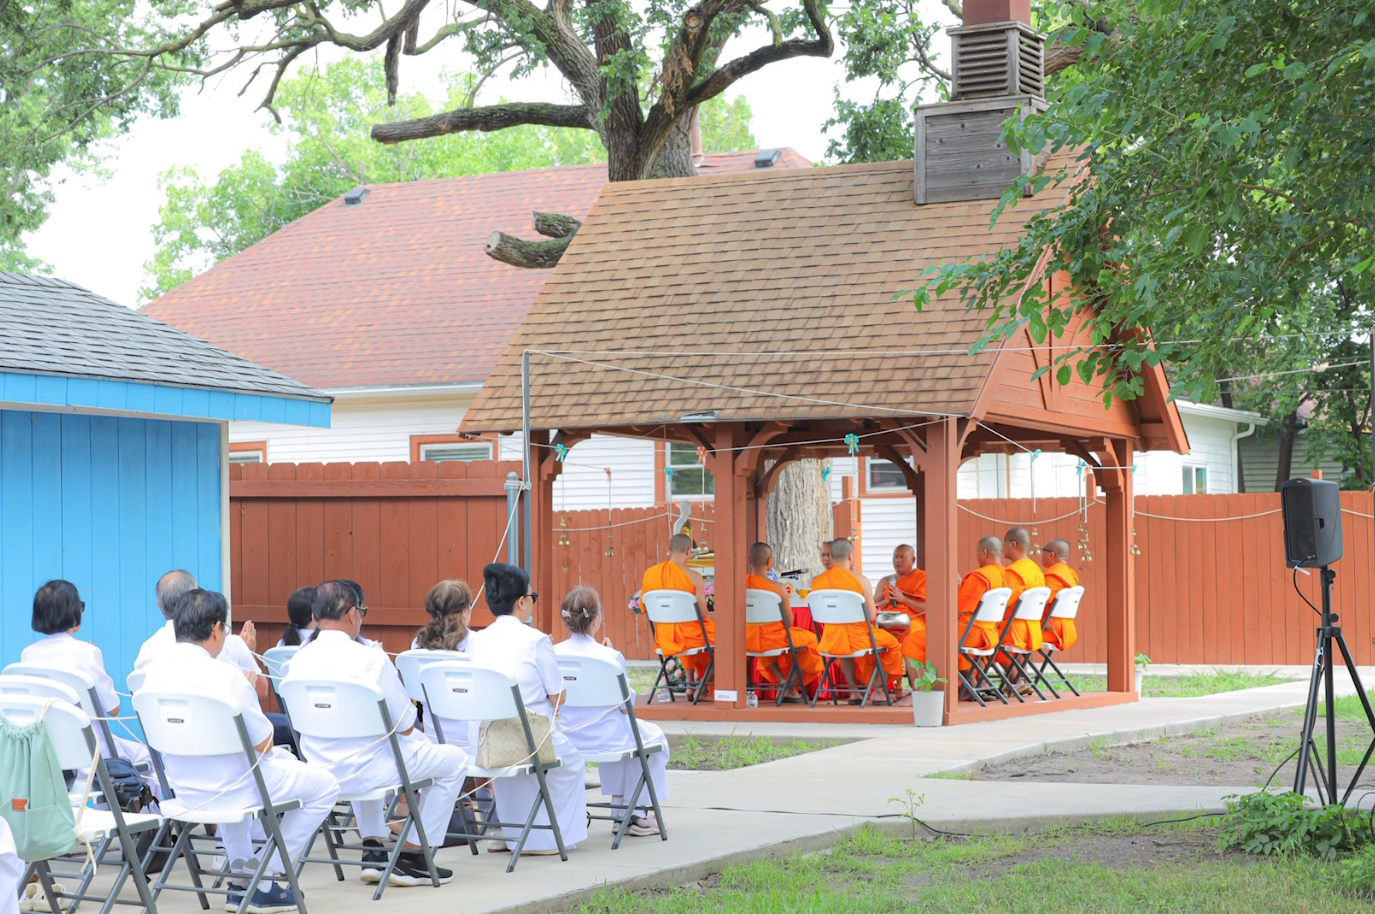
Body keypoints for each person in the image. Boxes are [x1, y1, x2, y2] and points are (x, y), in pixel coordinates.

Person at [140, 589, 339, 913]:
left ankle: (244, 884)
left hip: (184, 790)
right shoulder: (227, 675)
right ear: (217, 628)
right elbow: (263, 744)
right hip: (234, 787)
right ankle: (265, 871)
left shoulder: (152, 676)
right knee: (325, 786)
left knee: (242, 780)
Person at [283, 581, 465, 886]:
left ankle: (374, 848)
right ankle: (413, 856)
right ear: (353, 614)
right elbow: (406, 724)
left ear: (315, 617)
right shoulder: (370, 658)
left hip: (320, 770)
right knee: (455, 761)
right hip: (369, 770)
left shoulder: (297, 660)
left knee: (368, 745)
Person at [469, 563, 588, 855]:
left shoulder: (477, 639)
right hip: (530, 737)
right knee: (571, 764)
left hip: (486, 737)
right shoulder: (535, 640)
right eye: (532, 595)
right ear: (522, 601)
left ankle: (512, 832)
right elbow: (558, 696)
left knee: (515, 772)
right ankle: (549, 838)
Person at [552, 586, 668, 837]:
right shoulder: (609, 656)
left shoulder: (554, 653)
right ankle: (633, 812)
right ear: (596, 621)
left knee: (629, 735)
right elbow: (626, 707)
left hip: (568, 736)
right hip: (609, 737)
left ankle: (622, 812)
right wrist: (611, 656)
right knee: (653, 738)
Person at [22, 580, 152, 768]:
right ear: (73, 613)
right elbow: (114, 709)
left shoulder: (28, 654)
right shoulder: (88, 653)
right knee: (147, 758)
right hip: (91, 754)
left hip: (48, 755)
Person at [135, 570, 266, 700]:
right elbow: (261, 690)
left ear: (159, 605)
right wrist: (248, 651)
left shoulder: (146, 650)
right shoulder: (227, 644)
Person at [811, 539, 903, 697]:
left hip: (831, 639)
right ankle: (879, 689)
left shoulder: (817, 582)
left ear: (831, 557)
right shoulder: (860, 580)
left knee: (846, 652)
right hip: (859, 638)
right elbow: (871, 615)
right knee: (893, 644)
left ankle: (854, 692)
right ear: (850, 556)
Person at [744, 543, 822, 700]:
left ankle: (782, 681)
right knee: (812, 641)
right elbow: (789, 621)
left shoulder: (740, 585)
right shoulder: (778, 588)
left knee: (762, 640)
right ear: (770, 562)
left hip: (745, 639)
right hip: (772, 639)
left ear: (749, 560)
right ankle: (790, 686)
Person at [641, 534, 714, 686]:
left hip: (664, 636)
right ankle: (701, 685)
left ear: (669, 549)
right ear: (689, 551)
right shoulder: (694, 577)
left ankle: (690, 683)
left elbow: (644, 607)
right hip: (689, 636)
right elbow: (702, 614)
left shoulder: (651, 574)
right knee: (728, 641)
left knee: (687, 628)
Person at [412, 579, 476, 747]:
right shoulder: (477, 643)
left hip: (433, 738)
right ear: (465, 611)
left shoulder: (417, 645)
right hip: (473, 741)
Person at [874, 544, 930, 680]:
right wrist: (886, 601)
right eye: (895, 557)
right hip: (887, 621)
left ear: (913, 559)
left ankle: (915, 682)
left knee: (912, 638)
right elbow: (872, 605)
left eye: (902, 557)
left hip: (912, 621)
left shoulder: (922, 578)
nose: (898, 561)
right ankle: (882, 685)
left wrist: (904, 599)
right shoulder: (886, 581)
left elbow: (927, 607)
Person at [957, 536, 1007, 676]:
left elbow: (960, 609)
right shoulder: (1007, 576)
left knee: (930, 639)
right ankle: (979, 683)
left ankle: (968, 685)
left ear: (984, 553)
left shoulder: (979, 576)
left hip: (971, 635)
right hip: (992, 633)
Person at [1001, 527, 1047, 657]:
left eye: (1003, 543)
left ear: (1013, 544)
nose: (1002, 547)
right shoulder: (1036, 570)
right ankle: (1020, 676)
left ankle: (1019, 677)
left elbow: (1002, 605)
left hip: (1013, 633)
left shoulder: (1013, 573)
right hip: (1033, 631)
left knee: (981, 634)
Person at [1038, 539, 1081, 652]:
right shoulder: (1070, 575)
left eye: (1043, 551)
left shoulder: (1052, 576)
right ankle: (1019, 669)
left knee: (1011, 634)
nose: (1041, 554)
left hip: (1051, 631)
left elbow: (1040, 605)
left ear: (1051, 555)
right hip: (1068, 630)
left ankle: (1018, 670)